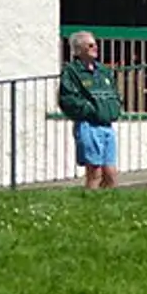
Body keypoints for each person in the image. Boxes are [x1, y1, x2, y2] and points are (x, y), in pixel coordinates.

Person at [58, 30, 122, 189]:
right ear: (79, 50)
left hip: (107, 125)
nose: (96, 47)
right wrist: (90, 110)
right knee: (94, 171)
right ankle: (90, 202)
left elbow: (115, 93)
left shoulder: (103, 71)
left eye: (95, 44)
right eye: (90, 45)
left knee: (111, 173)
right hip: (88, 125)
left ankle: (108, 204)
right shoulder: (72, 71)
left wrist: (115, 107)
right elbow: (68, 99)